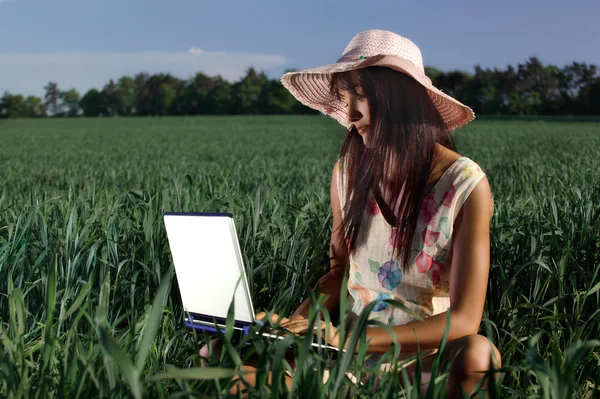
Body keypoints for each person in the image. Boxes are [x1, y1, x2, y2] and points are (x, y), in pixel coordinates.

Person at [201, 29, 501, 397]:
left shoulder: (464, 186)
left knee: (478, 355)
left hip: (419, 362)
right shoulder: (347, 172)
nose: (350, 114)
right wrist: (294, 324)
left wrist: (354, 340)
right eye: (344, 98)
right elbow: (338, 271)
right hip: (339, 355)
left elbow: (465, 320)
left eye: (361, 95)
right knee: (215, 352)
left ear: (401, 98)